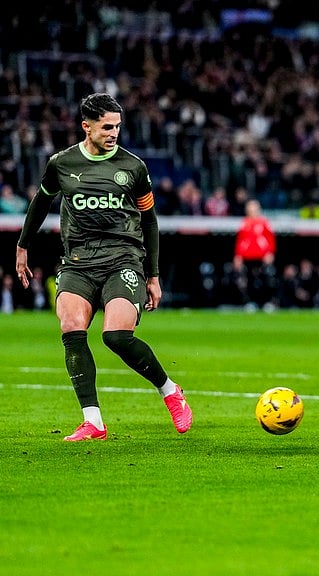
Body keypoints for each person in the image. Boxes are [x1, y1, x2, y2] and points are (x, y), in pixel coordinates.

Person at [14, 92, 193, 441]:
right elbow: (40, 204)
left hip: (123, 259)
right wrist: (22, 246)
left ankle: (170, 390)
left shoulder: (133, 168)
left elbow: (150, 221)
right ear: (86, 126)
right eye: (107, 127)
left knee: (115, 336)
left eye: (117, 127)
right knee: (70, 325)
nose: (113, 133)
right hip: (78, 261)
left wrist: (153, 275)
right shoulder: (61, 164)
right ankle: (93, 421)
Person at [233, 198, 277, 310]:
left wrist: (270, 253)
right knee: (249, 280)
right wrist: (238, 256)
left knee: (266, 279)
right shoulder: (244, 223)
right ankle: (251, 302)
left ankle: (267, 302)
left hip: (262, 257)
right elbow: (240, 241)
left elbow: (270, 239)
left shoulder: (264, 222)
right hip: (248, 257)